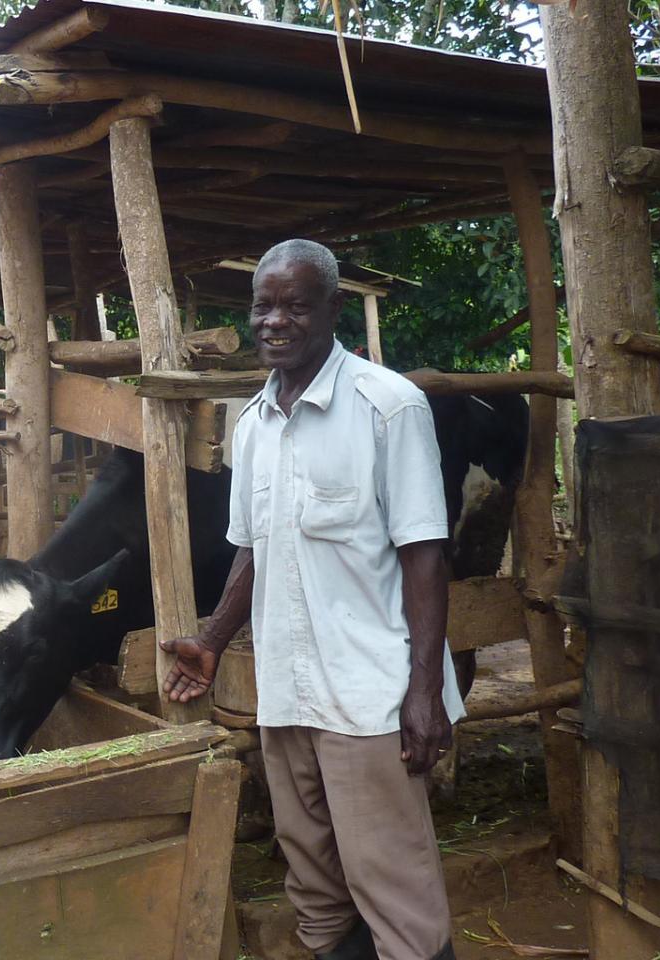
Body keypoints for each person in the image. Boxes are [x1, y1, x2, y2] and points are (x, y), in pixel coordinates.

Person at [162, 239, 463, 960]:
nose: (275, 321)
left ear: (333, 309)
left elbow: (425, 553)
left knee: (396, 895)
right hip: (288, 694)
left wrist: (423, 692)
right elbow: (253, 549)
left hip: (369, 697)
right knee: (317, 897)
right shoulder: (253, 423)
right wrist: (212, 640)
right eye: (264, 306)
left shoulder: (387, 406)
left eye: (295, 306)